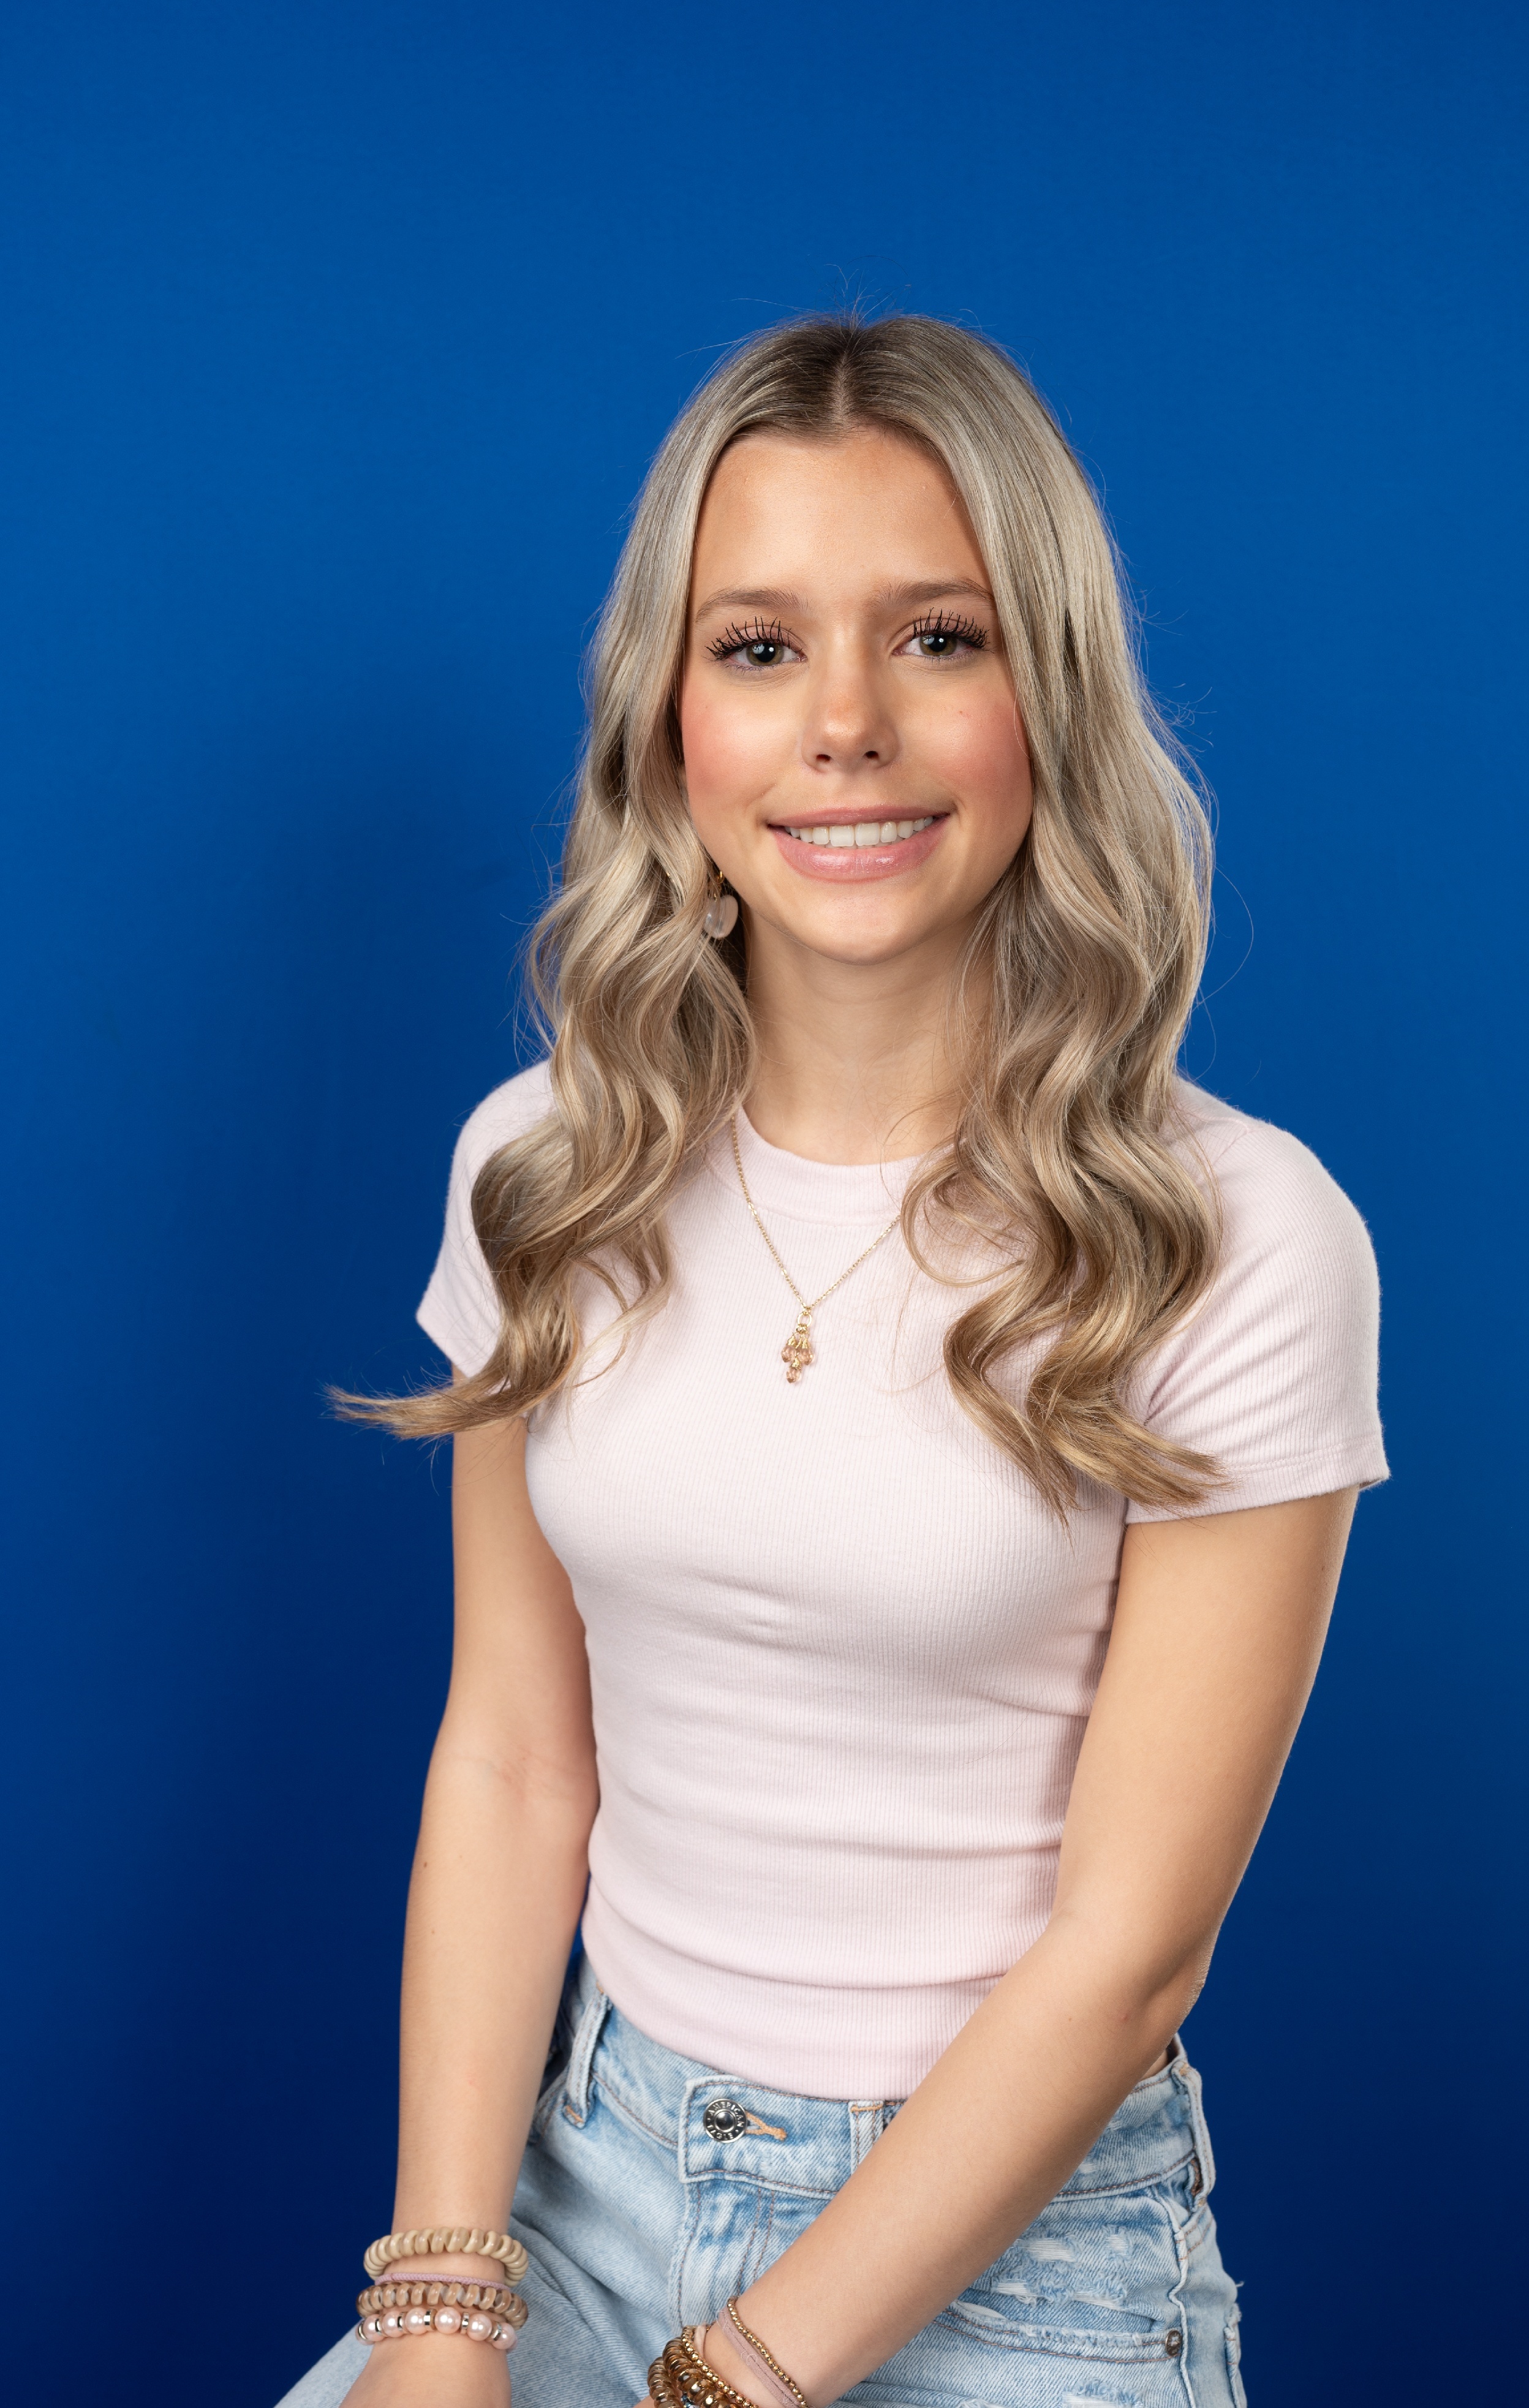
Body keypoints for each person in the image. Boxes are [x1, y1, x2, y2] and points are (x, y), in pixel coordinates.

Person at [280, 313, 1386, 2408]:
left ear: (1051, 697)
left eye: (939, 637)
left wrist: (739, 2378)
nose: (848, 725)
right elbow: (512, 1758)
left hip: (1031, 2250)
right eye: (762, 647)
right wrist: (439, 2307)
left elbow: (1131, 1951)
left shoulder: (1237, 1237)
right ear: (671, 720)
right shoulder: (543, 1167)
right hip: (582, 2178)